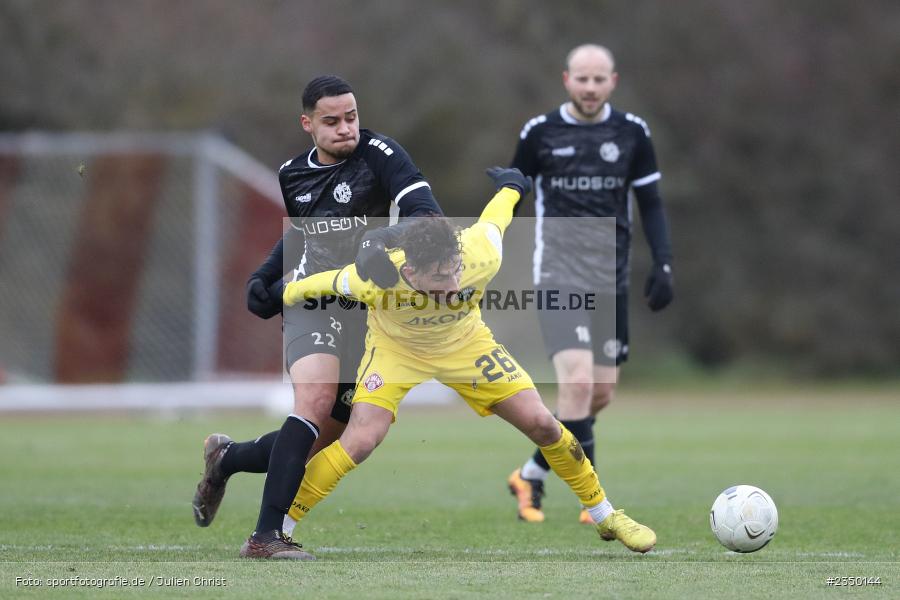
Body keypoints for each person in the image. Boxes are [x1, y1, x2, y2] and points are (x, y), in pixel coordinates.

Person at [269, 167, 656, 560]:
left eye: (455, 269)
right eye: (440, 276)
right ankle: (279, 530)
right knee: (362, 439)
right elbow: (320, 284)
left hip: (466, 345)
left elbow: (496, 217)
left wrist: (512, 186)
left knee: (542, 422)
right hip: (395, 352)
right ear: (409, 272)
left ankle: (606, 515)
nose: (455, 285)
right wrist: (278, 293)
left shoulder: (479, 253)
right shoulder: (375, 278)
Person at [191, 75, 443, 559]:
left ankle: (226, 459)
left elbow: (426, 215)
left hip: (366, 311)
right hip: (312, 298)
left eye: (351, 117)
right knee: (314, 401)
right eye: (332, 121)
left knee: (318, 438)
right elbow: (302, 236)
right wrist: (266, 275)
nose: (346, 128)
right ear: (307, 123)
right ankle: (265, 539)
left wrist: (380, 241)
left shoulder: (381, 156)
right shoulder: (292, 174)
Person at [505, 44, 675, 524]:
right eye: (582, 78)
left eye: (599, 79)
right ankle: (594, 503)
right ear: (566, 80)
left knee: (599, 393)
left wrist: (663, 262)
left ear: (613, 82)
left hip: (610, 279)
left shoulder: (632, 133)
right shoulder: (539, 133)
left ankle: (531, 474)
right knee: (576, 383)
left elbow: (653, 203)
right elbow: (514, 194)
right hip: (557, 273)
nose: (590, 87)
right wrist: (491, 237)